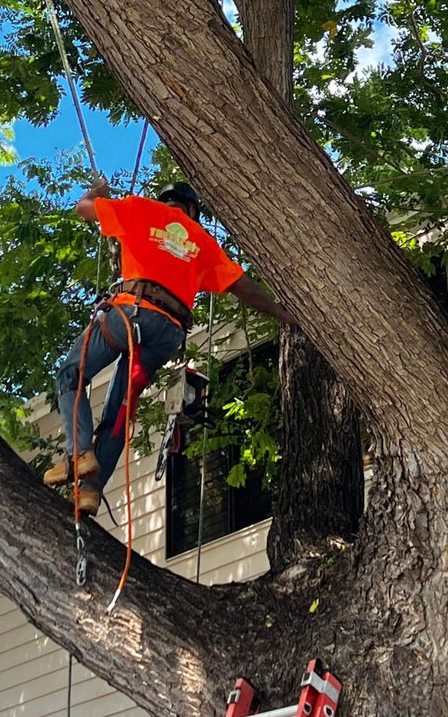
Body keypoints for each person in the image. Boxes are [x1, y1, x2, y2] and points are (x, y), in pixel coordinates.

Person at [43, 178, 296, 515]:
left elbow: (83, 209)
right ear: (193, 211)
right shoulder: (203, 241)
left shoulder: (140, 209)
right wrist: (283, 314)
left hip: (129, 314)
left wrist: (97, 193)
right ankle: (88, 493)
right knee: (120, 413)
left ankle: (79, 454)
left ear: (167, 201)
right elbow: (244, 288)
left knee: (71, 374)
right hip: (166, 333)